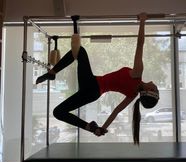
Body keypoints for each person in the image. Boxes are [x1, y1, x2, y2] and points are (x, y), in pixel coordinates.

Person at [36, 13, 159, 145]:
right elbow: (116, 112)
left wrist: (142, 21)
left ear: (150, 90)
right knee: (58, 112)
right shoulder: (132, 95)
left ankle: (52, 73)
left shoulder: (137, 73)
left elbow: (140, 44)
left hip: (93, 86)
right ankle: (90, 127)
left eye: (156, 89)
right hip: (93, 91)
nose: (157, 86)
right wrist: (102, 129)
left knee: (79, 51)